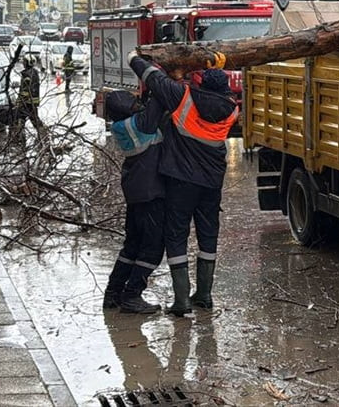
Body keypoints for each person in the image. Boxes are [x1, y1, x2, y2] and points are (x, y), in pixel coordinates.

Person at [128, 51, 238, 317]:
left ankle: (181, 302)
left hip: (181, 180)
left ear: (199, 83)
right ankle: (204, 295)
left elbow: (153, 78)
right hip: (212, 181)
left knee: (176, 236)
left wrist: (135, 56)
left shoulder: (183, 98)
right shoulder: (232, 108)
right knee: (208, 235)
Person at [102, 89, 168, 314]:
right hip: (150, 193)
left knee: (132, 245)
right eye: (133, 102)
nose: (137, 103)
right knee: (153, 248)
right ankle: (132, 295)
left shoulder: (121, 126)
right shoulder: (139, 124)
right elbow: (160, 99)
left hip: (137, 190)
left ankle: (113, 293)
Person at [13, 55, 46, 141]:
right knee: (34, 119)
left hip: (26, 102)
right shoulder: (34, 73)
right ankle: (43, 136)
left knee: (20, 119)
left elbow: (25, 90)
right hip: (32, 102)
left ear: (27, 63)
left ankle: (19, 138)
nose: (23, 63)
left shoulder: (27, 74)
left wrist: (19, 101)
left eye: (24, 61)